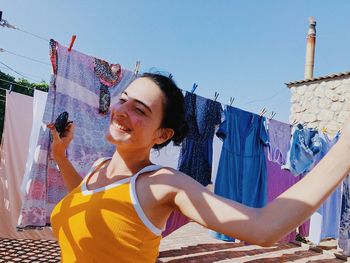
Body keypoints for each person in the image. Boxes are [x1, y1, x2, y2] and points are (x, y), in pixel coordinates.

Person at [49, 73, 350, 263]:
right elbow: (85, 196)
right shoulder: (100, 166)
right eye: (124, 100)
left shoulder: (160, 183)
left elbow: (263, 226)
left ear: (162, 134)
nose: (122, 111)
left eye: (139, 109)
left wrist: (344, 149)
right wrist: (61, 155)